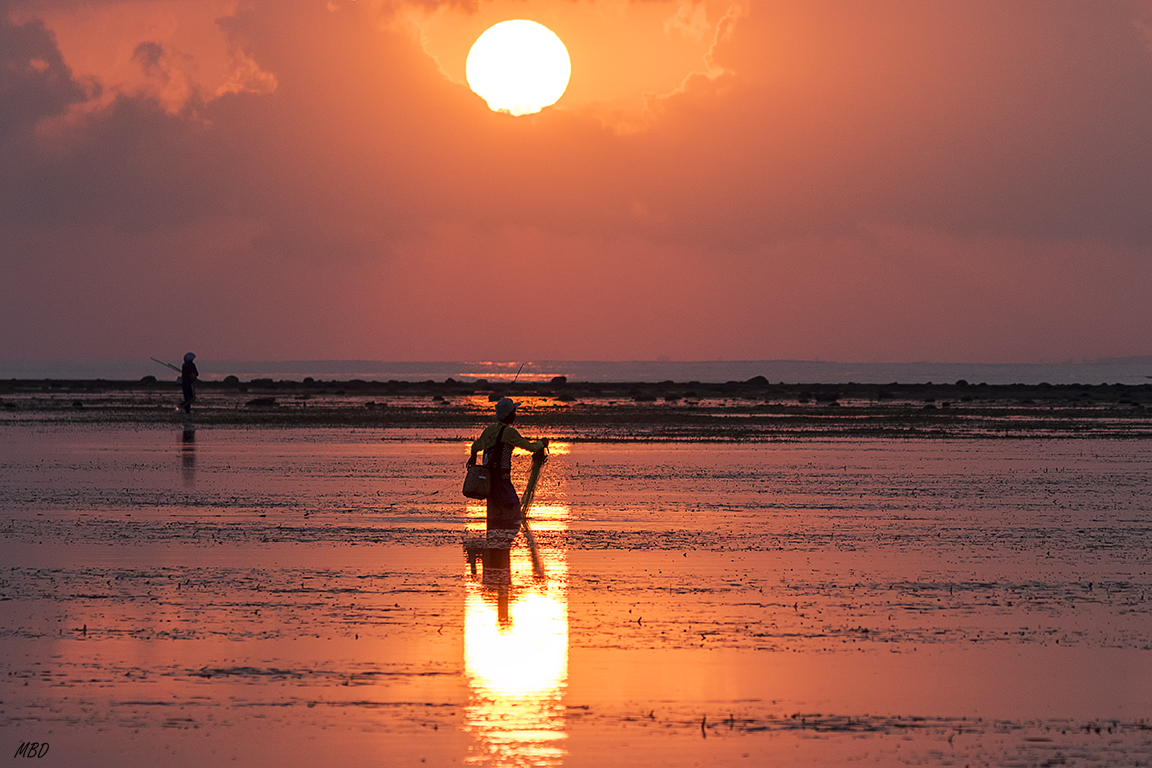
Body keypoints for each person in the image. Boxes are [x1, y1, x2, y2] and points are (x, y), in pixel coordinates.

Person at [467, 397, 548, 528]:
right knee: (514, 512)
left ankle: (495, 545)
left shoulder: (489, 431)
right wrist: (542, 444)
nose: (515, 415)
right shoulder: (509, 432)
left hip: (489, 482)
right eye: (513, 412)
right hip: (502, 481)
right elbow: (530, 447)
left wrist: (473, 458)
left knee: (494, 518)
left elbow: (475, 447)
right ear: (509, 415)